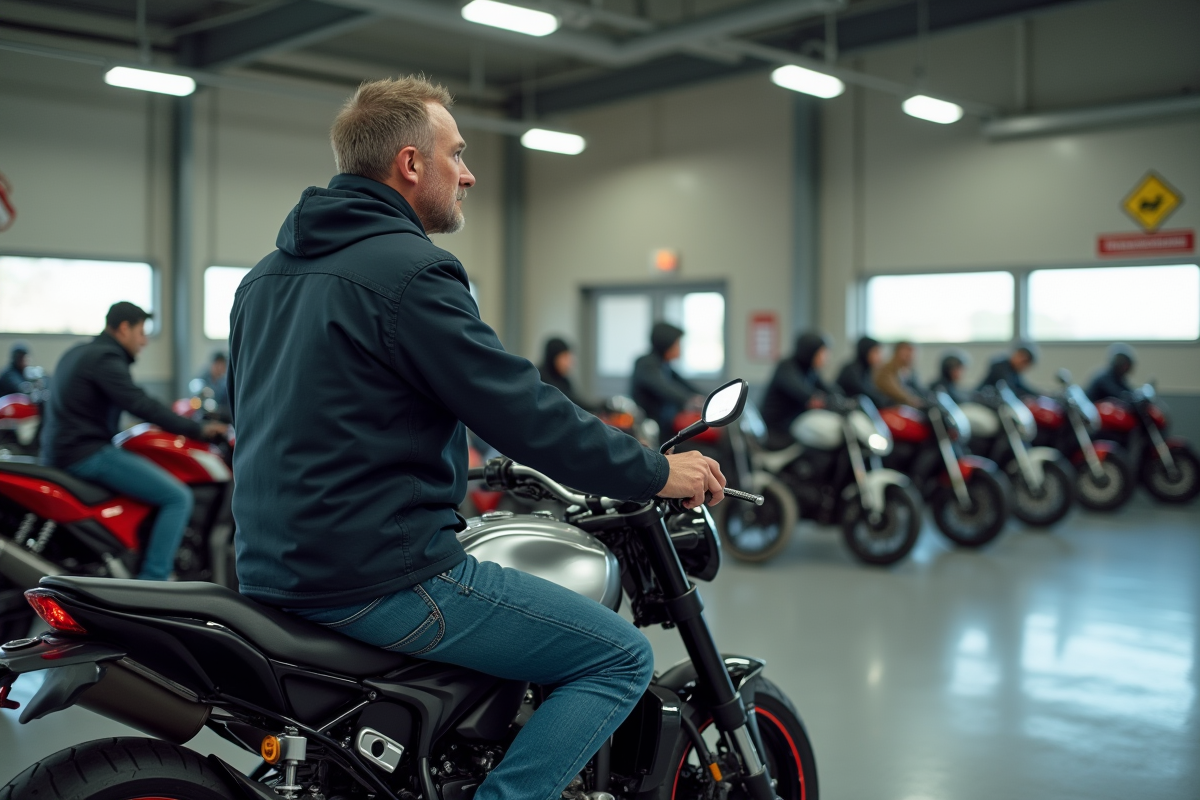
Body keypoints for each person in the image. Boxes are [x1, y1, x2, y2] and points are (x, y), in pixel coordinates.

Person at [227, 77, 725, 800]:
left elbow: (266, 419)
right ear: (409, 164)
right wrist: (655, 471)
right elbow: (521, 410)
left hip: (270, 571)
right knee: (618, 656)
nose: (468, 174)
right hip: (380, 576)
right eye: (456, 153)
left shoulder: (263, 280)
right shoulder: (411, 271)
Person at [40, 302, 227, 580]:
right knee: (177, 497)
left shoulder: (80, 352)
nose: (145, 341)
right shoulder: (105, 357)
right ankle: (154, 582)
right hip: (85, 453)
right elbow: (140, 403)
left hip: (60, 451)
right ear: (124, 328)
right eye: (142, 332)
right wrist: (198, 430)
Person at [630, 322, 702, 436]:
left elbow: (685, 384)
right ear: (666, 345)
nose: (680, 349)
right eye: (677, 344)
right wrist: (691, 401)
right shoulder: (646, 363)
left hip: (666, 424)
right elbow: (666, 389)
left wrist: (708, 396)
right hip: (651, 429)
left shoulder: (664, 364)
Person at [761, 331, 834, 443]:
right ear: (810, 352)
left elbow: (828, 389)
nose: (826, 357)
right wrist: (821, 400)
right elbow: (804, 393)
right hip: (776, 432)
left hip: (795, 425)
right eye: (822, 352)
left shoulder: (810, 370)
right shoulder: (786, 367)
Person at [836, 336, 891, 409]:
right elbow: (864, 393)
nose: (879, 357)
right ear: (865, 351)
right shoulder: (852, 370)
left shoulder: (865, 369)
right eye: (876, 352)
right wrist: (885, 402)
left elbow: (871, 391)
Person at [538, 337, 591, 410]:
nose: (569, 362)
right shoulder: (540, 377)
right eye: (565, 357)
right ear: (553, 357)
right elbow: (567, 401)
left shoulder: (564, 380)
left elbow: (576, 400)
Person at [874, 340, 924, 407]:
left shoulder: (910, 371)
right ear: (897, 352)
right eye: (908, 351)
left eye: (913, 351)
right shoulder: (886, 370)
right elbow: (894, 391)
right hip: (889, 407)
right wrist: (910, 398)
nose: (911, 355)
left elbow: (919, 389)